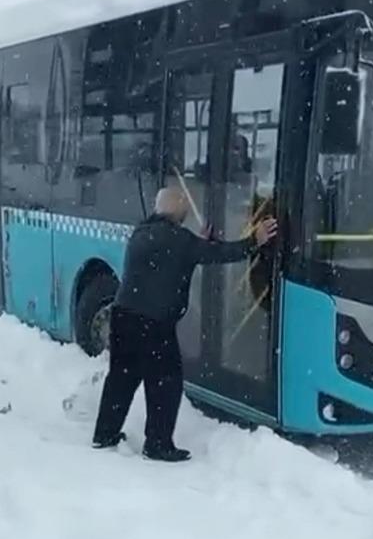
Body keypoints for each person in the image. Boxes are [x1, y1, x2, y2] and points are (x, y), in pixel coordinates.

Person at [92, 186, 278, 462]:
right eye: (185, 209)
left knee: (121, 378)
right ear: (178, 210)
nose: (187, 213)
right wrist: (255, 240)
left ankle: (104, 433)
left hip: (124, 317)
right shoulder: (180, 239)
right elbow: (221, 254)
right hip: (154, 324)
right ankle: (158, 444)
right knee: (165, 384)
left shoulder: (142, 232)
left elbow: (179, 252)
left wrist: (199, 244)